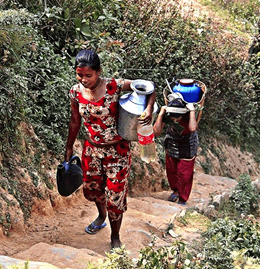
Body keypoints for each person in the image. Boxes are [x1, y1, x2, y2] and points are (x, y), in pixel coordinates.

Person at [64, 49, 156, 248]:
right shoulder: (75, 92)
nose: (84, 79)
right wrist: (69, 147)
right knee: (93, 190)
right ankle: (101, 216)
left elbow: (148, 87)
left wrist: (149, 108)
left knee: (115, 196)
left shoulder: (114, 86)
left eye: (89, 75)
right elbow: (74, 121)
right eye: (80, 75)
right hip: (91, 150)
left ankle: (115, 237)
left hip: (118, 152)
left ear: (99, 72)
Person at [153, 97, 202, 205]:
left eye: (177, 117)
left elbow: (193, 128)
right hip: (172, 142)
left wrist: (192, 111)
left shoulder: (189, 115)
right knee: (172, 171)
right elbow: (156, 132)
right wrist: (161, 114)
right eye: (173, 117)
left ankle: (182, 198)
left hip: (187, 145)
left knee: (185, 174)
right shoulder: (168, 115)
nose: (175, 120)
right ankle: (176, 190)